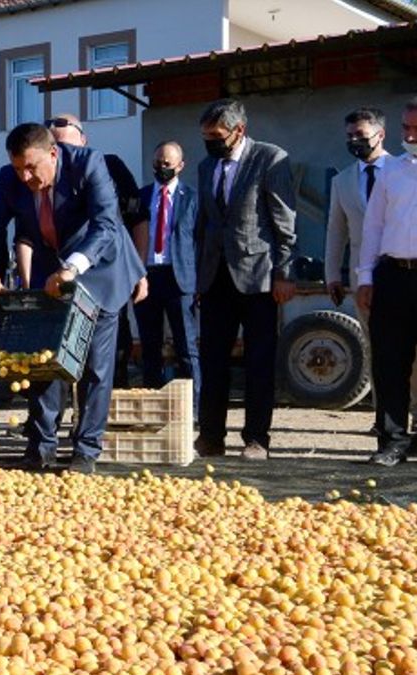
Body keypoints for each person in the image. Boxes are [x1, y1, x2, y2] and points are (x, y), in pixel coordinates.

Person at [0, 123, 145, 474]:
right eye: (18, 168)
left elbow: (106, 225)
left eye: (31, 167)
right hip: (51, 273)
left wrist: (73, 267)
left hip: (99, 269)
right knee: (45, 361)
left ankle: (85, 451)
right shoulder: (10, 178)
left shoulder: (89, 164)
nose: (25, 177)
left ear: (53, 154)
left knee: (95, 366)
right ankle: (41, 448)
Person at [193, 98, 297, 461]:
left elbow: (284, 222)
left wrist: (284, 273)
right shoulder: (206, 166)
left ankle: (257, 438)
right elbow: (204, 225)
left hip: (259, 279)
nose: (210, 143)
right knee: (213, 361)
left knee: (259, 361)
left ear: (239, 130)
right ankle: (211, 436)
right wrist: (199, 279)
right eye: (206, 137)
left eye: (217, 136)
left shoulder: (269, 159)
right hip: (215, 278)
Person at [325, 107, 411, 421]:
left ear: (380, 134)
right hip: (365, 278)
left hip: (404, 271)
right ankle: (383, 417)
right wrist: (332, 275)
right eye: (349, 136)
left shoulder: (405, 170)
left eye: (360, 135)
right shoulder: (342, 181)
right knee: (378, 348)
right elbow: (336, 231)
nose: (354, 141)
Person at [46, 114, 141, 388]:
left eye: (68, 145)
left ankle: (111, 396)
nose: (63, 153)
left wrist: (140, 270)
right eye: (56, 146)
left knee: (108, 350)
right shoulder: (40, 175)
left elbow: (126, 221)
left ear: (84, 141)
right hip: (63, 277)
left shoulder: (106, 166)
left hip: (106, 270)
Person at [354, 97, 417, 467]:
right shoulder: (391, 171)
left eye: (415, 129)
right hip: (393, 275)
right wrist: (365, 277)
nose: (408, 136)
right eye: (405, 128)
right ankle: (392, 442)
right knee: (390, 361)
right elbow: (373, 226)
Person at [130, 141, 199, 411]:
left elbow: (200, 240)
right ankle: (153, 407)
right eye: (158, 163)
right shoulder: (142, 196)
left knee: (186, 347)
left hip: (179, 278)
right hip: (147, 277)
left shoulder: (192, 198)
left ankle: (193, 409)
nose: (162, 168)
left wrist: (200, 282)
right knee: (150, 347)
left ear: (180, 166)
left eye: (167, 164)